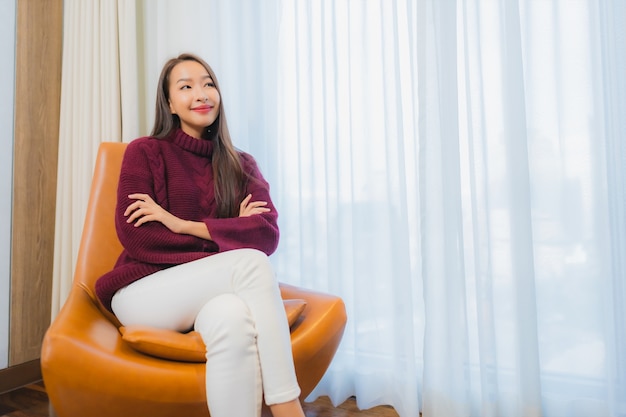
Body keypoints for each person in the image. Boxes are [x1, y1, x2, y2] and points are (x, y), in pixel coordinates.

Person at [95, 53, 305, 417]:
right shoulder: (145, 152)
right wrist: (230, 235)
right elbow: (138, 238)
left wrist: (181, 224)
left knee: (234, 319)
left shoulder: (241, 165)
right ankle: (287, 407)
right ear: (169, 103)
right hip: (143, 294)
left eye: (208, 83)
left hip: (207, 297)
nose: (201, 93)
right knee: (249, 263)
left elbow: (267, 234)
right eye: (186, 86)